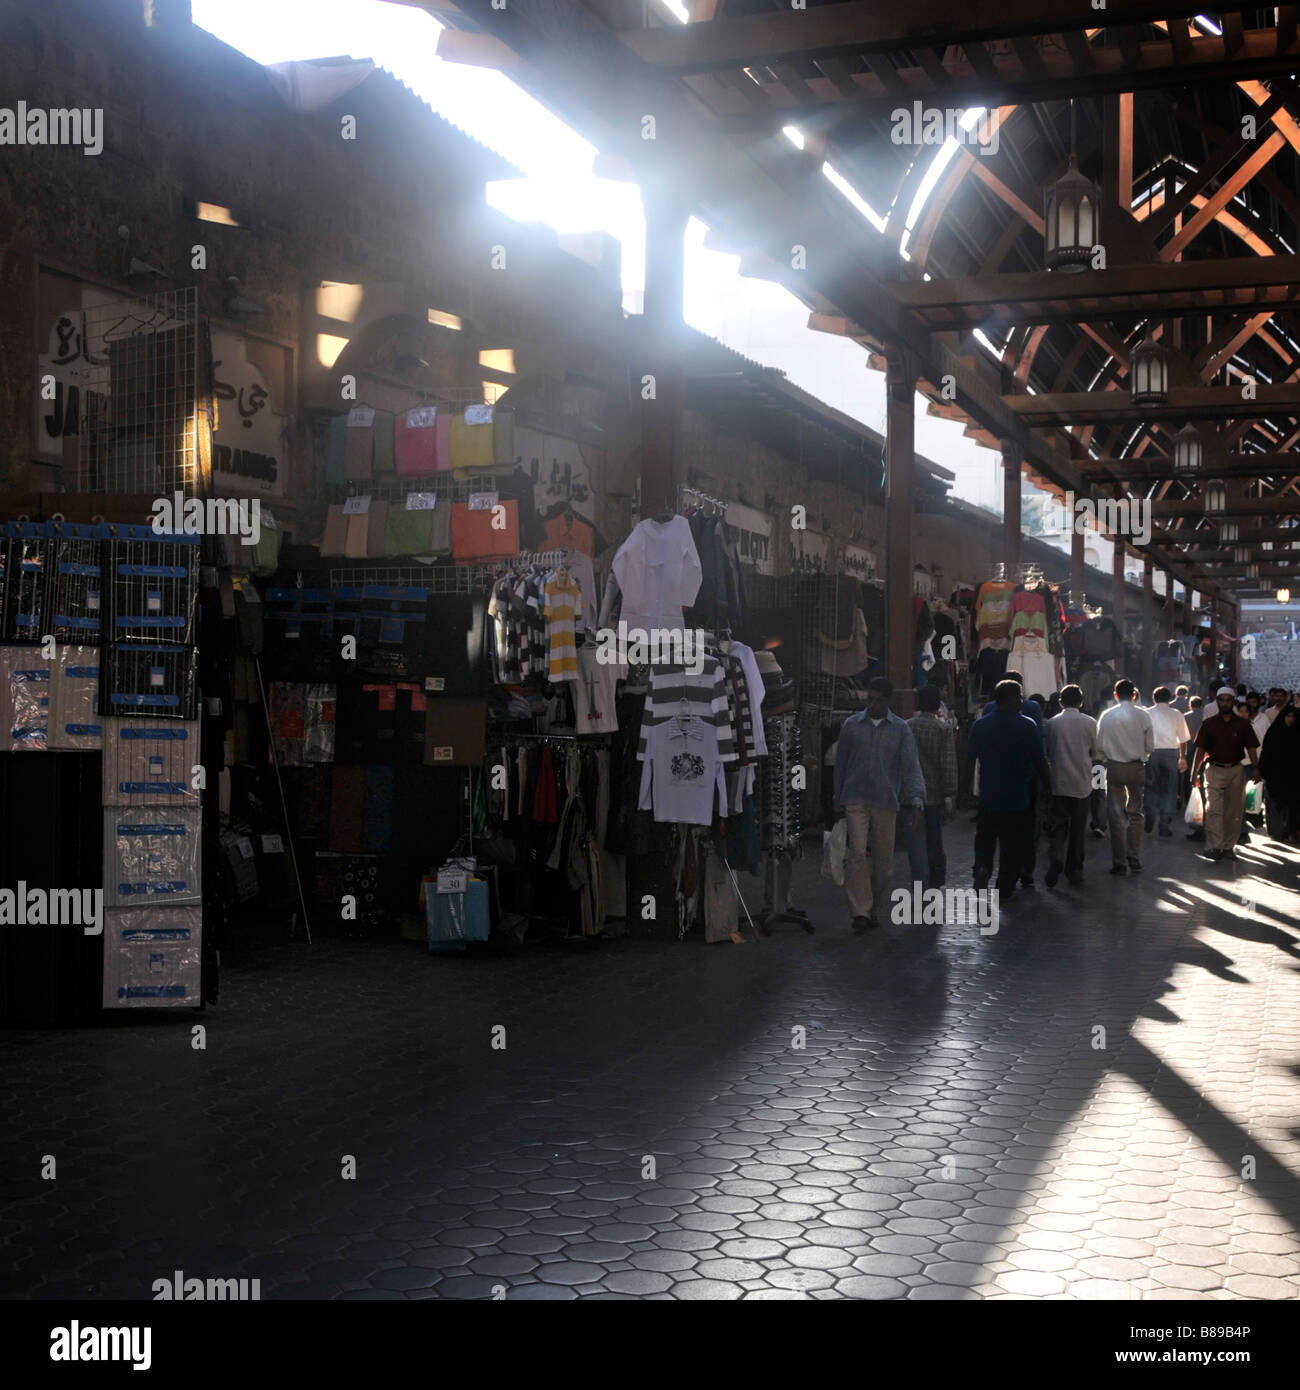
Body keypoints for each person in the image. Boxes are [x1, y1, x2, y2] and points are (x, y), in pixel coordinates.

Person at [833, 676, 926, 933]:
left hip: (886, 800)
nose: (871, 704)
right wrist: (836, 796)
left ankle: (873, 906)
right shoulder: (851, 726)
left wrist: (917, 799)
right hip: (855, 797)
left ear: (888, 700)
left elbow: (910, 767)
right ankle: (860, 911)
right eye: (869, 699)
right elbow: (840, 765)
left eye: (877, 700)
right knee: (858, 854)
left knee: (884, 863)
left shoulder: (901, 730)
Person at [967, 679, 1049, 899]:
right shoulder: (1027, 725)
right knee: (1011, 844)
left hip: (988, 795)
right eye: (1020, 697)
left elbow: (968, 761)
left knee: (985, 837)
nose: (1022, 701)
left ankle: (982, 867)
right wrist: (1048, 789)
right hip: (1017, 797)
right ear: (1013, 699)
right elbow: (1040, 761)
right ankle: (1004, 886)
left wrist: (963, 793)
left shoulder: (980, 726)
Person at [1190, 686, 1262, 861]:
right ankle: (1214, 846)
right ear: (1217, 702)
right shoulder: (1209, 724)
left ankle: (1228, 846)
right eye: (1221, 700)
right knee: (1213, 809)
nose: (1224, 703)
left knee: (1233, 811)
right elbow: (1200, 750)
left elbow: (1251, 747)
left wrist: (1256, 767)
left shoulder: (1243, 724)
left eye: (1228, 700)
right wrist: (1194, 773)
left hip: (1236, 770)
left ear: (1233, 701)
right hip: (1213, 769)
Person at [1095, 678, 1154, 875]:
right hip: (1136, 768)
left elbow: (1100, 746)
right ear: (1135, 695)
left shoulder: (1107, 715)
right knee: (1135, 812)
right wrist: (1143, 756)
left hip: (1114, 768)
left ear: (1115, 695)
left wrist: (1103, 758)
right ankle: (1134, 857)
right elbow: (1150, 745)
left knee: (1115, 814)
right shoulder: (1143, 716)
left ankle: (1119, 861)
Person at [1043, 684, 1097, 887]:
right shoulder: (1090, 722)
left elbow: (1048, 751)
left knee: (1057, 825)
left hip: (1058, 781)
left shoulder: (1052, 724)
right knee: (1077, 829)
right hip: (1082, 783)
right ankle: (1074, 869)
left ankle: (1056, 856)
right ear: (1081, 702)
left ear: (1060, 702)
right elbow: (1095, 750)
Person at [906, 684, 958, 889]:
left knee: (915, 841)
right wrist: (950, 794)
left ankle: (919, 880)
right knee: (934, 838)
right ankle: (936, 878)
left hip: (910, 793)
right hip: (934, 794)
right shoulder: (942, 729)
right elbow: (947, 764)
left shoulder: (907, 726)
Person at [1143, 687, 1189, 837]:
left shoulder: (1147, 713)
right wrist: (1182, 757)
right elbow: (1182, 739)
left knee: (1151, 786)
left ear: (1153, 698)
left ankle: (1149, 815)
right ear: (1169, 699)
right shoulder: (1176, 714)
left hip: (1151, 754)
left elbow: (1141, 735)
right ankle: (1164, 824)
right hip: (1170, 754)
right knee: (1169, 789)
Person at [1258, 704, 1300, 844]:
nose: (1291, 719)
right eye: (1288, 716)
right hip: (1275, 776)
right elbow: (1266, 753)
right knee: (1276, 804)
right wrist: (1262, 771)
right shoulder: (1274, 732)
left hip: (1294, 776)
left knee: (1293, 806)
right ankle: (1278, 832)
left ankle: (1291, 831)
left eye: (1293, 717)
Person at [1183, 695, 1206, 839]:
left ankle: (1188, 795)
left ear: (1190, 705)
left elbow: (1183, 737)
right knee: (1200, 771)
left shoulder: (1186, 716)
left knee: (1188, 775)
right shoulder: (1205, 717)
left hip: (1190, 748)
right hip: (1202, 748)